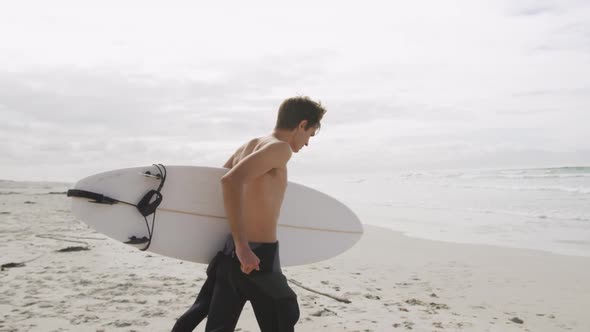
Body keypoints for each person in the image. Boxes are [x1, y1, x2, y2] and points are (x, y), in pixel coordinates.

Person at [172, 96, 327, 332]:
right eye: (310, 135)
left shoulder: (251, 144)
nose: (306, 143)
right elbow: (230, 181)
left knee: (215, 322)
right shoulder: (280, 148)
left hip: (231, 255)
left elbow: (218, 181)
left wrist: (235, 244)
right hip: (255, 257)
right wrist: (243, 247)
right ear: (302, 125)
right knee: (284, 312)